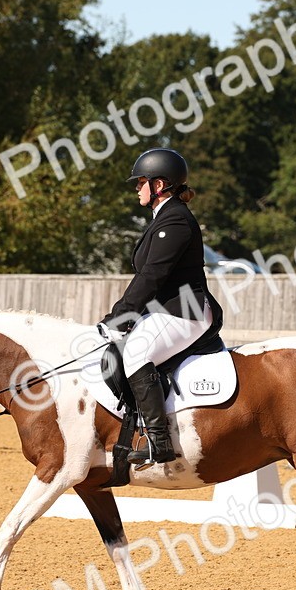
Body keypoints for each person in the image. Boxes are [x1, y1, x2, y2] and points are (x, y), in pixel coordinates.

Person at [98, 148, 224, 467]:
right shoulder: (163, 218)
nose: (136, 188)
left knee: (136, 352)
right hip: (166, 310)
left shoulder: (176, 220)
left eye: (141, 182)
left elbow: (153, 274)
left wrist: (121, 316)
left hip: (185, 311)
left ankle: (159, 440)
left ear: (159, 185)